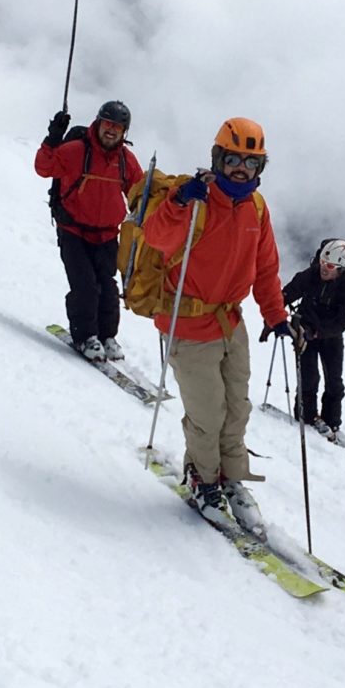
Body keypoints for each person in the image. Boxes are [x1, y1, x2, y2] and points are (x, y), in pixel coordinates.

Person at [140, 116, 289, 524]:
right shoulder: (197, 200)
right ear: (218, 158)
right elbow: (156, 237)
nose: (242, 168)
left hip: (230, 324)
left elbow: (265, 268)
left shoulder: (256, 207)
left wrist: (276, 315)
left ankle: (230, 478)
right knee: (208, 414)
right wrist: (179, 203)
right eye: (234, 159)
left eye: (252, 162)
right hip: (188, 324)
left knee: (236, 409)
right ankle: (203, 480)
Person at [34, 100, 143, 361]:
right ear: (98, 122)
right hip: (73, 230)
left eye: (118, 127)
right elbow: (43, 168)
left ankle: (107, 336)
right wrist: (53, 137)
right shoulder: (76, 151)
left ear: (124, 132)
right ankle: (86, 337)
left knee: (107, 287)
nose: (111, 130)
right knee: (85, 285)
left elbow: (139, 192)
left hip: (106, 234)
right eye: (108, 123)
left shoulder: (126, 161)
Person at [283, 238, 345, 445]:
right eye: (324, 263)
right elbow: (286, 294)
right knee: (309, 378)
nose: (325, 269)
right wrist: (274, 319)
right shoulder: (310, 275)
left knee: (334, 382)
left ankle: (332, 423)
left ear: (342, 268)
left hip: (329, 337)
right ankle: (307, 417)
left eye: (331, 266)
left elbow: (342, 322)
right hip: (305, 332)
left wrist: (316, 332)